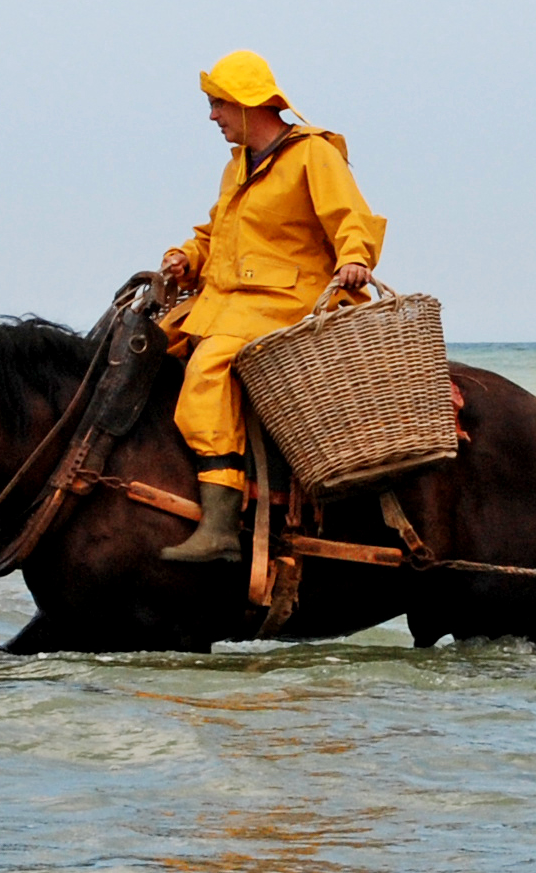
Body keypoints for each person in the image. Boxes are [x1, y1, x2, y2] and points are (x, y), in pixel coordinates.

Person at [148, 49, 385, 566]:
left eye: (218, 105)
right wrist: (185, 258)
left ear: (249, 105)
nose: (212, 116)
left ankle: (219, 525)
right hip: (227, 301)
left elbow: (350, 216)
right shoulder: (236, 165)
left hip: (286, 302)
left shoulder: (311, 153)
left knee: (210, 368)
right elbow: (217, 235)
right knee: (144, 347)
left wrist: (354, 258)